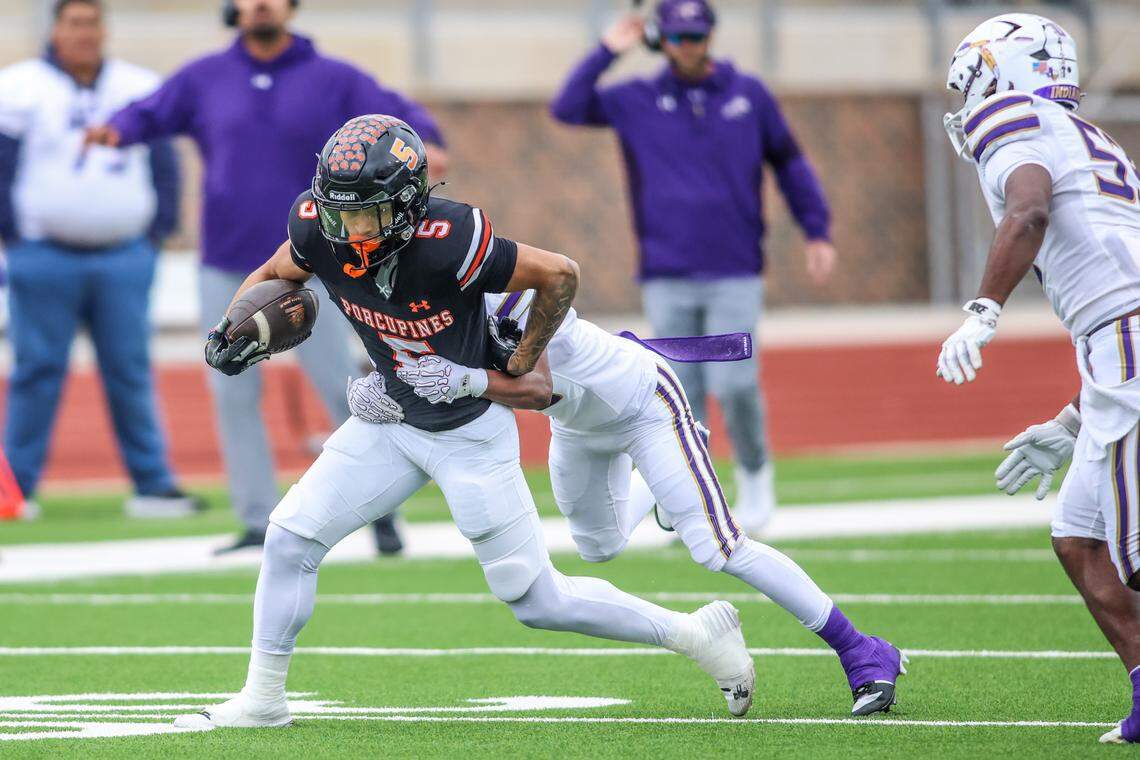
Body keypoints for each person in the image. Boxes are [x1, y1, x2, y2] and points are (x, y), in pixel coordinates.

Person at [173, 116, 756, 729]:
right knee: (290, 538)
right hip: (391, 421)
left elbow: (559, 275)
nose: (351, 231)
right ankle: (263, 699)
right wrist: (233, 327)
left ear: (407, 204)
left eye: (367, 214)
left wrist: (521, 358)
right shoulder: (318, 226)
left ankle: (694, 634)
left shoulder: (450, 239)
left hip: (470, 433)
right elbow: (273, 276)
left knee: (536, 600)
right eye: (340, 214)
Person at [361, 289, 906, 715]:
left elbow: (534, 386)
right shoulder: (428, 309)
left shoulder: (505, 295)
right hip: (577, 429)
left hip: (645, 405)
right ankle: (665, 489)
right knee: (599, 547)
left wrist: (460, 379)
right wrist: (386, 390)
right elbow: (421, 368)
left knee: (719, 548)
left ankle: (861, 649)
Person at [84, 0, 447, 554]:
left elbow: (396, 117)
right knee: (230, 386)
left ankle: (381, 512)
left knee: (347, 389)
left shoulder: (333, 79)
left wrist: (429, 140)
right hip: (228, 260)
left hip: (319, 261)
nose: (259, 5)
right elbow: (151, 112)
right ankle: (256, 519)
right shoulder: (205, 77)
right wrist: (116, 130)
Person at [550, 0, 837, 534]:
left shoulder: (748, 95)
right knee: (680, 394)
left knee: (735, 384)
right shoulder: (637, 98)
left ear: (710, 36)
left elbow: (790, 163)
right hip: (667, 271)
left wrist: (816, 229)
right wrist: (608, 50)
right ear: (661, 40)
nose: (689, 46)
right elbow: (567, 107)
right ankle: (688, 498)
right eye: (679, 37)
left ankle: (755, 477)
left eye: (697, 36)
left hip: (734, 268)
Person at [935, 13, 1140, 744]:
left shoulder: (1011, 115)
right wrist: (1071, 423)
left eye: (972, 83)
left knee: (1136, 554)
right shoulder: (1083, 135)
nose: (968, 103)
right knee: (1080, 537)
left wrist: (983, 310)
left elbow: (1029, 210)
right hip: (1118, 345)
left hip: (1125, 337)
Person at [0, 0, 195, 518]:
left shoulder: (136, 85)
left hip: (124, 253)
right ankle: (15, 489)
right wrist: (13, 238)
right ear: (55, 30)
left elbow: (164, 164)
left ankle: (153, 484)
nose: (84, 33)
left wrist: (156, 233)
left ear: (104, 30)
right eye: (74, 24)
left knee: (129, 368)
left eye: (92, 23)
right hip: (43, 252)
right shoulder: (18, 87)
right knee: (36, 371)